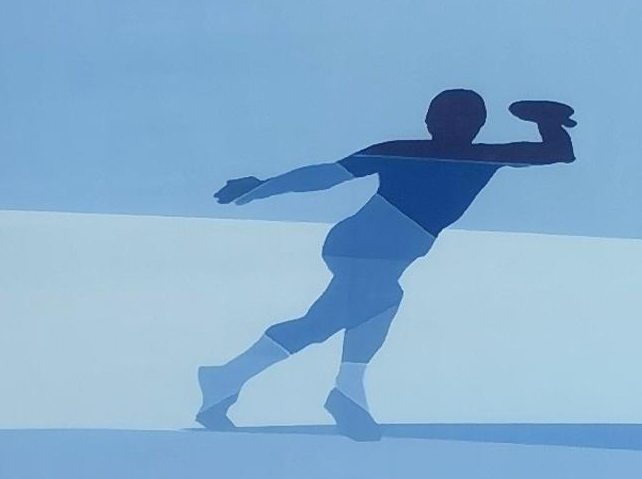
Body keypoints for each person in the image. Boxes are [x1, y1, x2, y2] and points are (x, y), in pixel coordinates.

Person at [197, 89, 577, 439]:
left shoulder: (481, 157)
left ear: (478, 126)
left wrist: (546, 119)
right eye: (447, 117)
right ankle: (335, 390)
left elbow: (557, 152)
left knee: (347, 315)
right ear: (428, 121)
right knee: (364, 306)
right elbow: (325, 175)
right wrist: (262, 186)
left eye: (466, 119)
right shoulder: (408, 152)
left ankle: (236, 380)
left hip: (383, 254)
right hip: (360, 245)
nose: (455, 126)